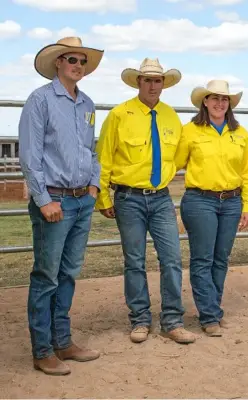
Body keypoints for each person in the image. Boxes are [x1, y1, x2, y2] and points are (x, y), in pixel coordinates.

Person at [18, 36, 104, 376]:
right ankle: (42, 350)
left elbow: (89, 151)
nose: (77, 65)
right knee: (46, 276)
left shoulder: (87, 105)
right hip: (54, 201)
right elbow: (30, 156)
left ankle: (63, 342)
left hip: (82, 199)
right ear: (58, 63)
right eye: (71, 59)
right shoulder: (39, 101)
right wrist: (43, 199)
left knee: (67, 274)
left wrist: (95, 184)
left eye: (82, 61)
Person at [95, 58, 195, 345]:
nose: (153, 85)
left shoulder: (170, 117)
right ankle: (139, 319)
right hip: (129, 198)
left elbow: (176, 157)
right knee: (135, 261)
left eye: (158, 80)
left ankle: (172, 320)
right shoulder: (119, 114)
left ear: (164, 84)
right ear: (138, 82)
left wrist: (162, 176)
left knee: (172, 259)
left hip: (161, 198)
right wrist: (103, 197)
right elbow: (104, 157)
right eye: (148, 80)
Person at [174, 79, 248, 337]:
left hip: (231, 201)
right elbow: (174, 163)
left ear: (229, 104)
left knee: (221, 258)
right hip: (200, 200)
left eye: (225, 99)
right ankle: (209, 316)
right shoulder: (191, 132)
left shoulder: (240, 133)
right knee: (203, 259)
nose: (220, 103)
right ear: (205, 102)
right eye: (215, 98)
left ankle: (212, 309)